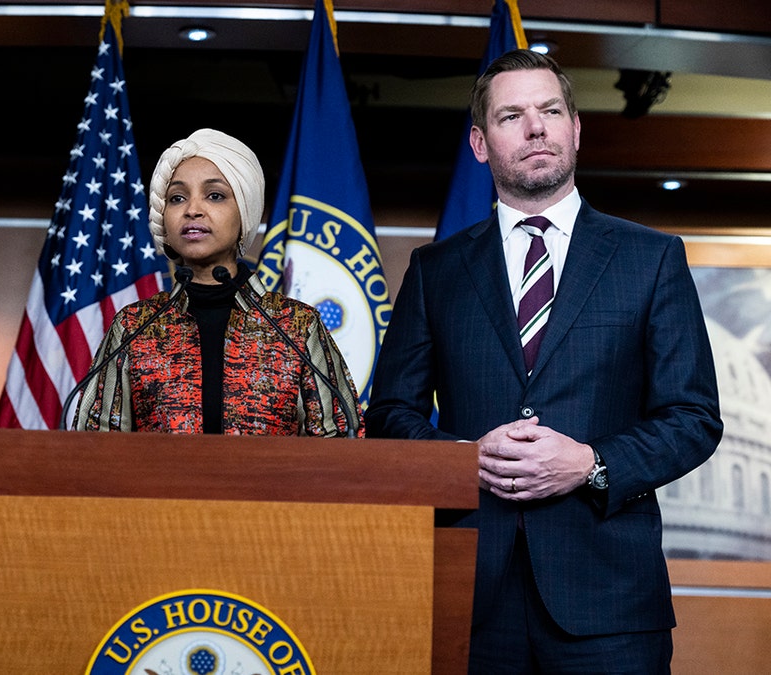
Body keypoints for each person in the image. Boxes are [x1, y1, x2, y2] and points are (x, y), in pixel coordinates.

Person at [364, 50, 722, 673]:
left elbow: (693, 417)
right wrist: (464, 459)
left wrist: (590, 463)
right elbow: (391, 414)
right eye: (511, 115)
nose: (535, 127)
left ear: (575, 128)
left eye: (550, 110)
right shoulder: (436, 272)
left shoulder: (651, 259)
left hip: (610, 606)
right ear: (480, 143)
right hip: (471, 597)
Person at [72, 128, 359, 436]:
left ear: (244, 214)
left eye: (215, 196)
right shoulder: (134, 326)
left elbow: (340, 440)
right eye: (177, 198)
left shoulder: (296, 325)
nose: (193, 210)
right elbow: (94, 445)